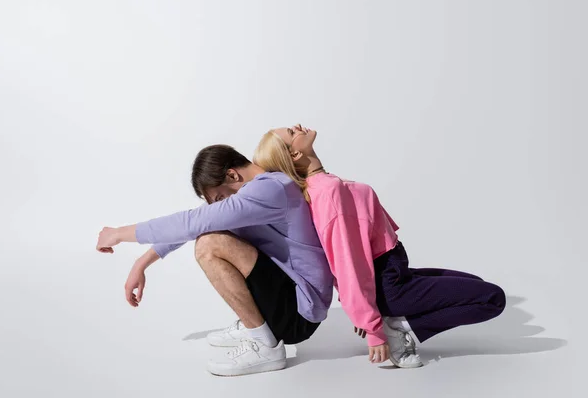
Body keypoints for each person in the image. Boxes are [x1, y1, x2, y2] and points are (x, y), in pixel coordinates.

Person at [253, 124, 506, 368]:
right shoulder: (328, 192)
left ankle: (398, 319)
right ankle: (398, 326)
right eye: (291, 131)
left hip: (395, 271)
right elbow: (347, 263)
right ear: (295, 153)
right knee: (492, 299)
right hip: (387, 281)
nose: (298, 126)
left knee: (474, 283)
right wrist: (372, 326)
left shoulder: (324, 183)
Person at [96, 144, 334, 376]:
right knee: (211, 232)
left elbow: (194, 222)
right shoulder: (256, 189)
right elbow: (198, 222)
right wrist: (143, 262)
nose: (220, 205)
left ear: (232, 174)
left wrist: (118, 234)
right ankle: (258, 325)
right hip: (289, 293)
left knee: (210, 244)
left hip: (301, 311)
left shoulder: (270, 189)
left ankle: (266, 347)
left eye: (219, 198)